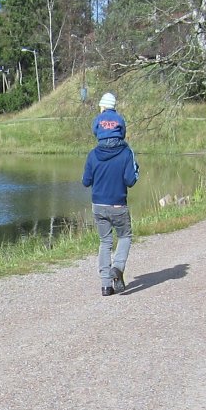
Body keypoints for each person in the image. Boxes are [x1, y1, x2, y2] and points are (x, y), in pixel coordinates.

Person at [82, 91, 139, 295]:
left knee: (105, 242)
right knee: (125, 236)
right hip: (118, 205)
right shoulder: (126, 152)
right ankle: (118, 267)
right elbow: (130, 181)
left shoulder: (93, 154)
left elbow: (85, 181)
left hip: (98, 205)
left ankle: (106, 285)